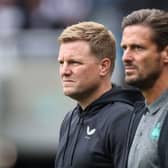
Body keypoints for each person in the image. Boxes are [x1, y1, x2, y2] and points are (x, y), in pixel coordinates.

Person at [55, 21, 145, 168]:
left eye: (74, 62)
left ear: (103, 67)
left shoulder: (124, 119)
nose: (64, 71)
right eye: (61, 62)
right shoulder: (69, 119)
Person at [121, 8, 168, 168]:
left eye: (137, 48)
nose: (126, 57)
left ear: (165, 54)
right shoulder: (140, 114)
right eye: (124, 48)